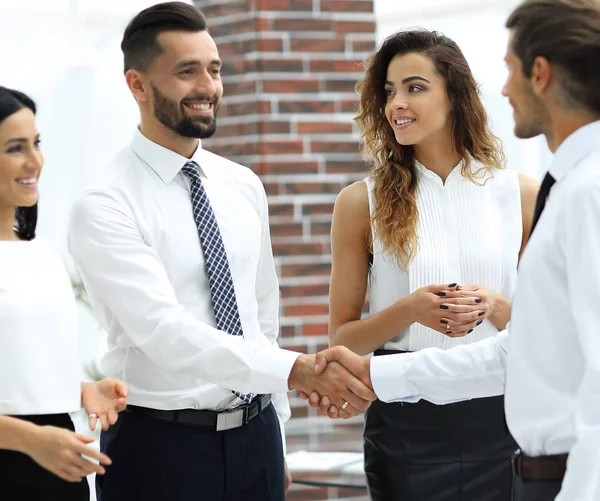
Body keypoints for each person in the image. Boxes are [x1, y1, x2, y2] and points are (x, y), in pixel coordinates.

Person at [66, 3, 376, 501]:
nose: (208, 87)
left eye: (214, 70)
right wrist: (294, 370)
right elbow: (166, 332)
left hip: (255, 442)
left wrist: (275, 426)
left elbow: (261, 316)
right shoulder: (105, 204)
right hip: (159, 449)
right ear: (137, 85)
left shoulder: (242, 185)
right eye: (186, 72)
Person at [309, 0, 600, 500]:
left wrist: (497, 306)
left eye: (415, 88)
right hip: (405, 430)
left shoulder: (526, 194)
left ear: (456, 95)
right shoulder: (360, 203)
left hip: (503, 419)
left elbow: (550, 335)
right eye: (389, 92)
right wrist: (409, 309)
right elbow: (344, 338)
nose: (396, 104)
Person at [0, 86, 129, 501]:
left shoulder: (42, 252)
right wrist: (32, 440)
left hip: (59, 459)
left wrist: (80, 391)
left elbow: (19, 367)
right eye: (15, 148)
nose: (34, 160)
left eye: (36, 143)